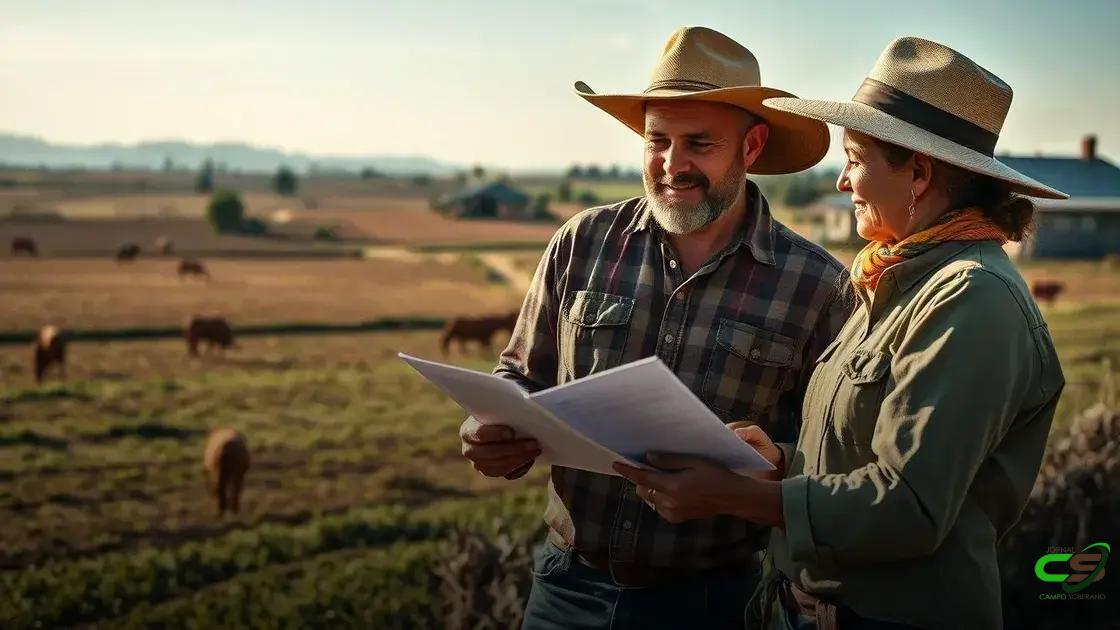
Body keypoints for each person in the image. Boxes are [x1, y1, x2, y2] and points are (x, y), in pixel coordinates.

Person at [614, 37, 1067, 628]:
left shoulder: (971, 298)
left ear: (919, 174)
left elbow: (908, 508)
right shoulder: (897, 281)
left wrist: (733, 495)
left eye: (854, 159)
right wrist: (780, 460)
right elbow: (860, 455)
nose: (842, 182)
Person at [457, 26, 849, 629]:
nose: (672, 164)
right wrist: (488, 432)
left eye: (699, 143)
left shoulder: (818, 285)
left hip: (713, 602)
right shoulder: (581, 242)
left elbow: (832, 459)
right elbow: (518, 378)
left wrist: (775, 463)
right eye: (657, 141)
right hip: (566, 585)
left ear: (752, 147)